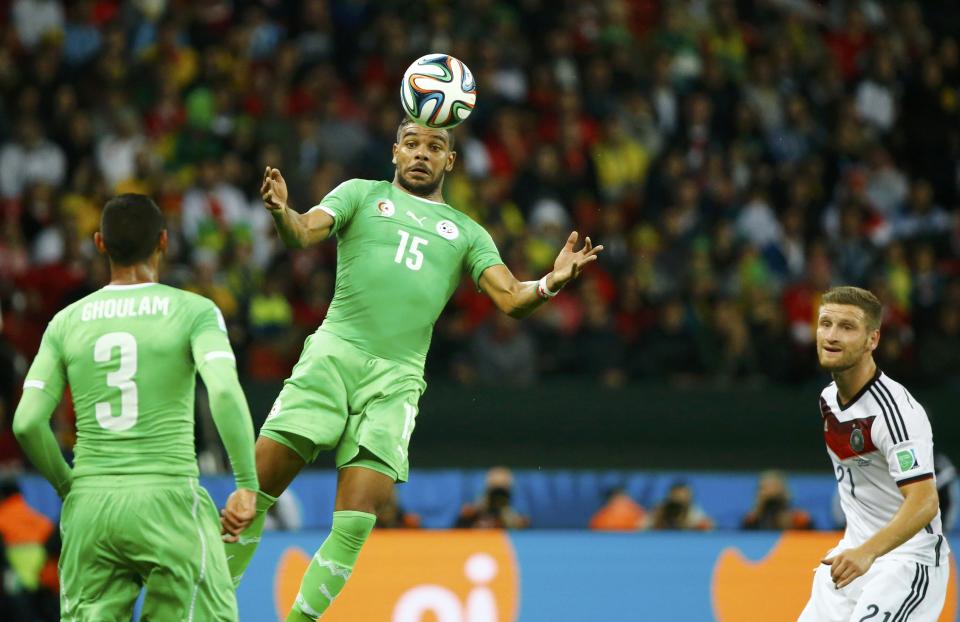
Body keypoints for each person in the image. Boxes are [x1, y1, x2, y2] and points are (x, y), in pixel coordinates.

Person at [223, 118, 602, 620]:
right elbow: (303, 231)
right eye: (412, 144)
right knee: (253, 494)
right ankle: (207, 606)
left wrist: (551, 282)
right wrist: (280, 212)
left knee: (355, 522)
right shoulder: (359, 194)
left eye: (435, 146)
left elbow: (512, 298)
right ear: (395, 153)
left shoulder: (467, 233)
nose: (422, 153)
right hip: (332, 357)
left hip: (396, 382)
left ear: (451, 160)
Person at [12, 194, 258, 620]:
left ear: (99, 243)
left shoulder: (66, 321)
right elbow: (222, 392)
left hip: (91, 507)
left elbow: (27, 422)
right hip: (167, 500)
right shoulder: (194, 311)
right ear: (164, 241)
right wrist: (246, 483)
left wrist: (69, 487)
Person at [798, 286, 950, 622]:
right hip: (851, 558)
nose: (832, 336)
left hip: (907, 563)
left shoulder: (894, 412)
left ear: (873, 340)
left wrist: (867, 552)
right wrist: (859, 550)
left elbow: (925, 502)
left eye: (847, 327)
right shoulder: (828, 399)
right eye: (826, 324)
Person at [454, 466, 530, 529]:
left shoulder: (508, 513)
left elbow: (522, 526)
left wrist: (520, 522)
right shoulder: (479, 506)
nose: (497, 497)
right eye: (496, 491)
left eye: (502, 493)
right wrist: (468, 515)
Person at [741, 470, 813, 530]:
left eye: (774, 487)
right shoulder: (750, 520)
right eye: (763, 488)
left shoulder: (800, 520)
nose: (769, 492)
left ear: (784, 491)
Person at [645, 481, 714, 531]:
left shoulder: (693, 511)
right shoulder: (660, 509)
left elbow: (710, 527)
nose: (679, 498)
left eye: (684, 495)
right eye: (676, 495)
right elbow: (641, 528)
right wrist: (657, 522)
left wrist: (691, 526)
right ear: (670, 495)